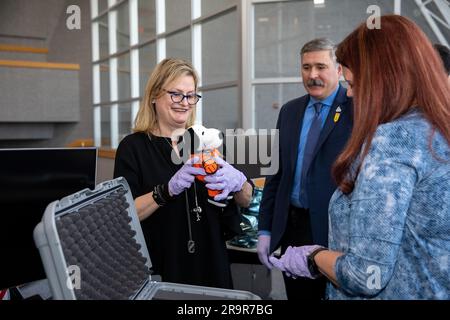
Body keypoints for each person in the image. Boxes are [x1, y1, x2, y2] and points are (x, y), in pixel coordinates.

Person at [269, 15, 450, 299]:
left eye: (353, 83)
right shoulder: (435, 129)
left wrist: (314, 256)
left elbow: (364, 275)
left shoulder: (392, 141)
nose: (350, 93)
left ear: (384, 80)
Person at [113, 58, 253, 289]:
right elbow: (126, 214)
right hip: (163, 263)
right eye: (176, 94)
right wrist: (166, 191)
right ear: (155, 96)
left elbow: (246, 199)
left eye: (191, 95)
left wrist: (238, 182)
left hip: (212, 262)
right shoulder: (133, 147)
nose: (184, 103)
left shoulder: (207, 140)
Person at [256, 38, 353, 300]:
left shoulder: (357, 109)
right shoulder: (289, 111)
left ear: (339, 70)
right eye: (306, 67)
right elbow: (275, 174)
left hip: (336, 233)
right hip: (293, 230)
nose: (312, 75)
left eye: (320, 66)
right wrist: (265, 229)